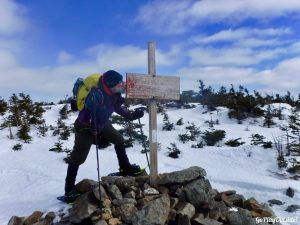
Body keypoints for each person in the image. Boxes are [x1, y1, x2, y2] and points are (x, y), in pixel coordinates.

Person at [64, 70, 144, 201]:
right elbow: (84, 117)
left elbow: (117, 107)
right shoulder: (97, 95)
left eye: (121, 82)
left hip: (101, 123)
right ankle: (69, 190)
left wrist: (131, 115)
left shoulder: (114, 93)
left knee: (118, 139)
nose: (122, 85)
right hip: (84, 128)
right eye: (119, 84)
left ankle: (125, 168)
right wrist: (94, 129)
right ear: (110, 84)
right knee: (78, 158)